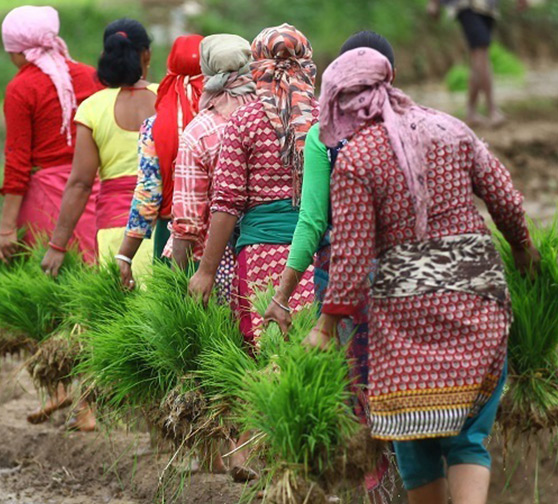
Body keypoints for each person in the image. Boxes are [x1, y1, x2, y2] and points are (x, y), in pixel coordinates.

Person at [308, 47, 540, 504]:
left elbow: (352, 260)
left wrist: (324, 325)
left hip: (407, 319)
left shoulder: (357, 159)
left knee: (413, 437)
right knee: (469, 440)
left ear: (341, 102)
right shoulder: (450, 129)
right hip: (480, 299)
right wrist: (524, 251)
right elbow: (507, 202)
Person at [263, 30, 396, 503]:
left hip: (345, 275)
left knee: (357, 380)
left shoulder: (325, 135)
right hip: (410, 272)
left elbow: (313, 221)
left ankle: (376, 483)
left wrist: (282, 293)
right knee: (405, 374)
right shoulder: (412, 122)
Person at [188, 24, 317, 343]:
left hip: (260, 255)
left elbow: (227, 203)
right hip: (318, 255)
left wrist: (206, 272)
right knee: (316, 359)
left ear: (257, 67)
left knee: (263, 359)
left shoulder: (244, 122)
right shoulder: (325, 118)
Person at [42, 19, 157, 285]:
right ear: (146, 54)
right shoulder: (166, 97)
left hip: (114, 231)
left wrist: (57, 245)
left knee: (117, 318)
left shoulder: (93, 109)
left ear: (106, 55)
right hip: (162, 230)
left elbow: (81, 184)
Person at [0, 5, 103, 264]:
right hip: (95, 189)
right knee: (101, 269)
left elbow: (17, 159)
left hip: (47, 197)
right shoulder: (91, 76)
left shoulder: (21, 88)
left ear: (19, 51)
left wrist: (6, 227)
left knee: (54, 280)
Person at [169, 34, 256, 307]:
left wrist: (174, 289)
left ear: (207, 70)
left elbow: (187, 222)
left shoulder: (199, 132)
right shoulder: (277, 117)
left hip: (215, 264)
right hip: (276, 256)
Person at [115, 34, 204, 284]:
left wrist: (126, 254)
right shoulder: (230, 118)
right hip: (225, 237)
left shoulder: (155, 126)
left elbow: (149, 193)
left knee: (174, 318)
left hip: (171, 240)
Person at [427, 0, 529, 127]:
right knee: (481, 53)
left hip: (488, 7)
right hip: (467, 6)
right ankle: (492, 109)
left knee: (477, 58)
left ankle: (471, 111)